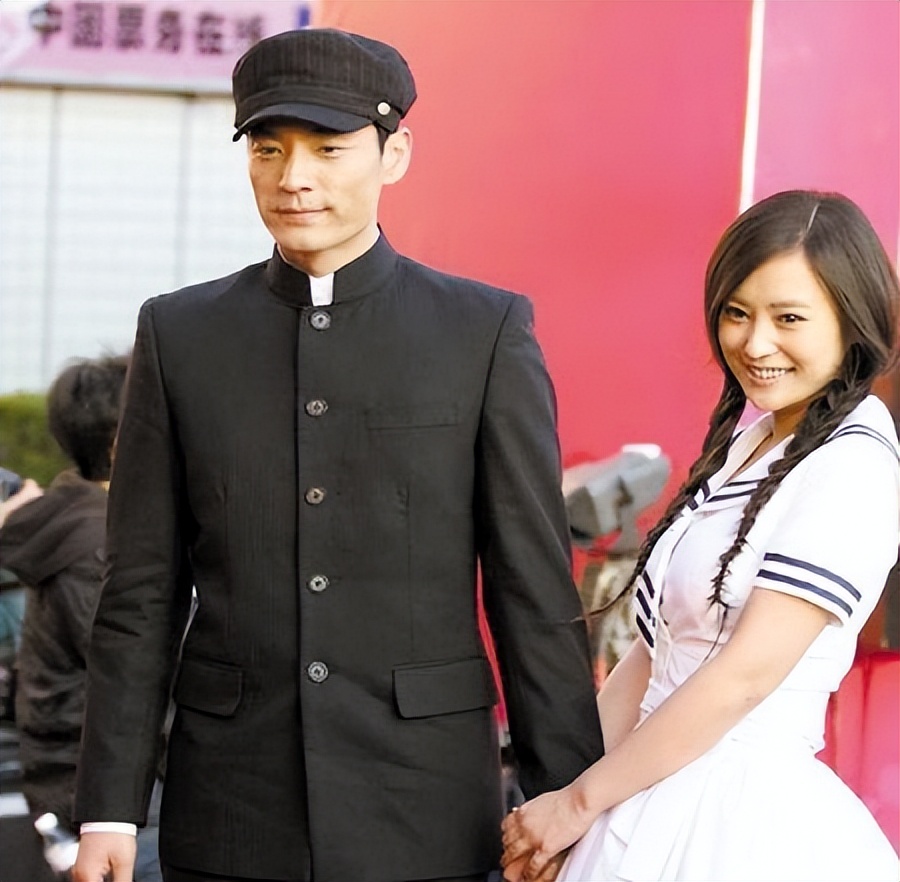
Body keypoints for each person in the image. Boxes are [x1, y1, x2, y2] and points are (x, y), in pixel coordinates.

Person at [71, 28, 604, 882]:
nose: (295, 177)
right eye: (268, 149)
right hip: (230, 807)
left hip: (427, 807)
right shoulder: (180, 334)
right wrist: (110, 808)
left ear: (394, 155)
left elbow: (531, 589)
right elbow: (140, 591)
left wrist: (569, 801)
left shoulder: (482, 332)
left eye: (328, 148)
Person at [501, 190, 900, 882]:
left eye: (789, 318)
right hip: (651, 786)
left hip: (734, 818)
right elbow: (654, 656)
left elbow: (744, 676)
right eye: (737, 313)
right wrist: (565, 797)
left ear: (852, 321)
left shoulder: (853, 462)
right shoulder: (758, 444)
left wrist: (579, 803)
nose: (755, 343)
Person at [0, 354, 163, 881]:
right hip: (113, 802)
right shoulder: (99, 545)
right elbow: (136, 675)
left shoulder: (82, 524)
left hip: (86, 790)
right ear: (120, 441)